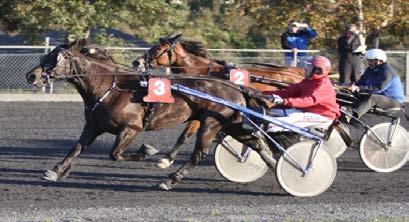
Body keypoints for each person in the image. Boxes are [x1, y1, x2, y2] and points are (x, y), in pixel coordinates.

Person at [262, 55, 340, 132]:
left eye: (309, 67)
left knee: (281, 122)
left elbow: (308, 101)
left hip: (323, 116)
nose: (305, 69)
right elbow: (288, 92)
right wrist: (264, 93)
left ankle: (262, 132)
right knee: (270, 113)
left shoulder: (323, 85)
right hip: (306, 111)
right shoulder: (308, 81)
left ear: (317, 70)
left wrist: (284, 101)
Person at [348, 48, 404, 119]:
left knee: (373, 97)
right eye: (368, 60)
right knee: (353, 94)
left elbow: (378, 89)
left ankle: (352, 115)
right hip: (381, 97)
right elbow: (361, 82)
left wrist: (358, 88)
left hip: (394, 101)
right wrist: (352, 86)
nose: (368, 62)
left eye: (371, 60)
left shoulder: (387, 72)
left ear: (379, 61)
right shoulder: (370, 69)